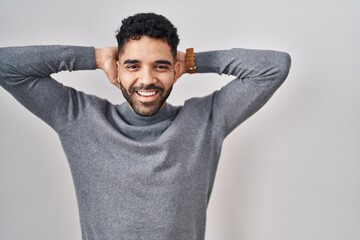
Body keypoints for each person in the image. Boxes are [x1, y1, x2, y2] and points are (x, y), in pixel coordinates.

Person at [0, 12, 291, 240]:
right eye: (133, 65)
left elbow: (274, 67)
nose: (147, 79)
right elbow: (6, 65)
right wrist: (93, 57)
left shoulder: (207, 120)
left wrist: (191, 61)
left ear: (176, 70)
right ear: (117, 68)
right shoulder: (79, 119)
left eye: (161, 66)